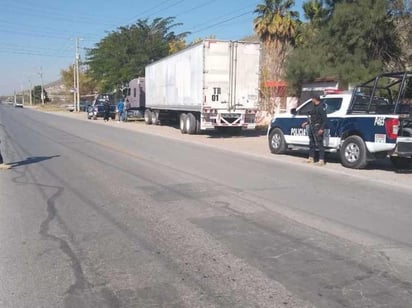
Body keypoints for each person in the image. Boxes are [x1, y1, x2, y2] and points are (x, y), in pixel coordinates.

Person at [301, 95, 327, 165]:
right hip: (312, 127)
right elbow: (313, 117)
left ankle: (321, 160)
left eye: (312, 99)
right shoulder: (314, 107)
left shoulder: (321, 107)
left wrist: (321, 129)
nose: (312, 100)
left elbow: (325, 120)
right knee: (311, 143)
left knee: (319, 143)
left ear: (315, 99)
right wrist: (306, 123)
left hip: (318, 127)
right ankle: (311, 158)